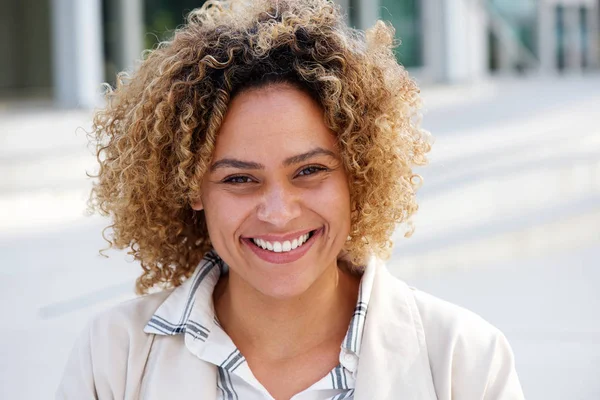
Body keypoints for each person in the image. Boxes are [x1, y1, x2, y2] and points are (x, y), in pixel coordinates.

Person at [57, 0, 525, 399]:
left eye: (309, 171)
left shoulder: (465, 361)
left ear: (358, 176)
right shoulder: (114, 358)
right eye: (240, 179)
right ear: (191, 188)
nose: (278, 212)